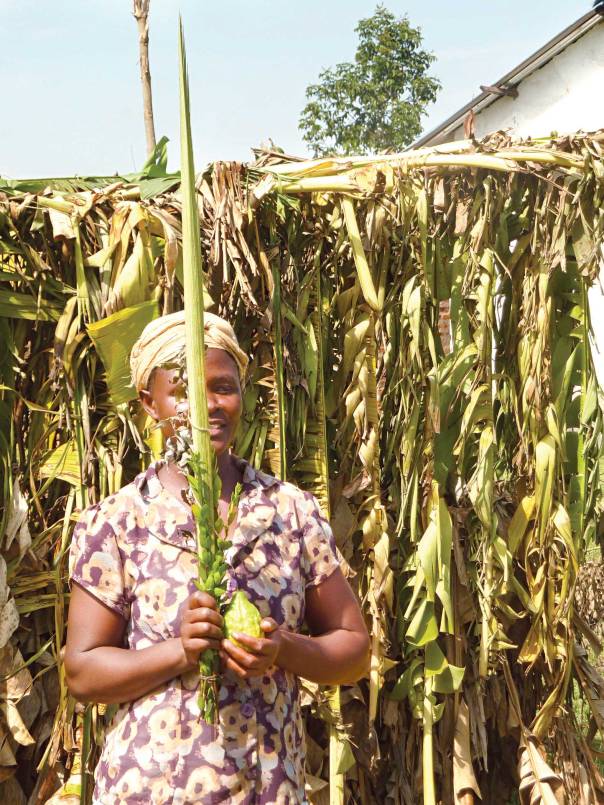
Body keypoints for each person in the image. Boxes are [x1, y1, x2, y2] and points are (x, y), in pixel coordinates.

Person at [64, 310, 370, 805]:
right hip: (149, 789)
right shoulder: (117, 521)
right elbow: (82, 672)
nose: (208, 405)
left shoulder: (290, 511)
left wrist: (283, 648)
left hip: (267, 787)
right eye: (183, 391)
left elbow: (353, 649)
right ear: (149, 403)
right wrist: (180, 652)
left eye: (224, 387)